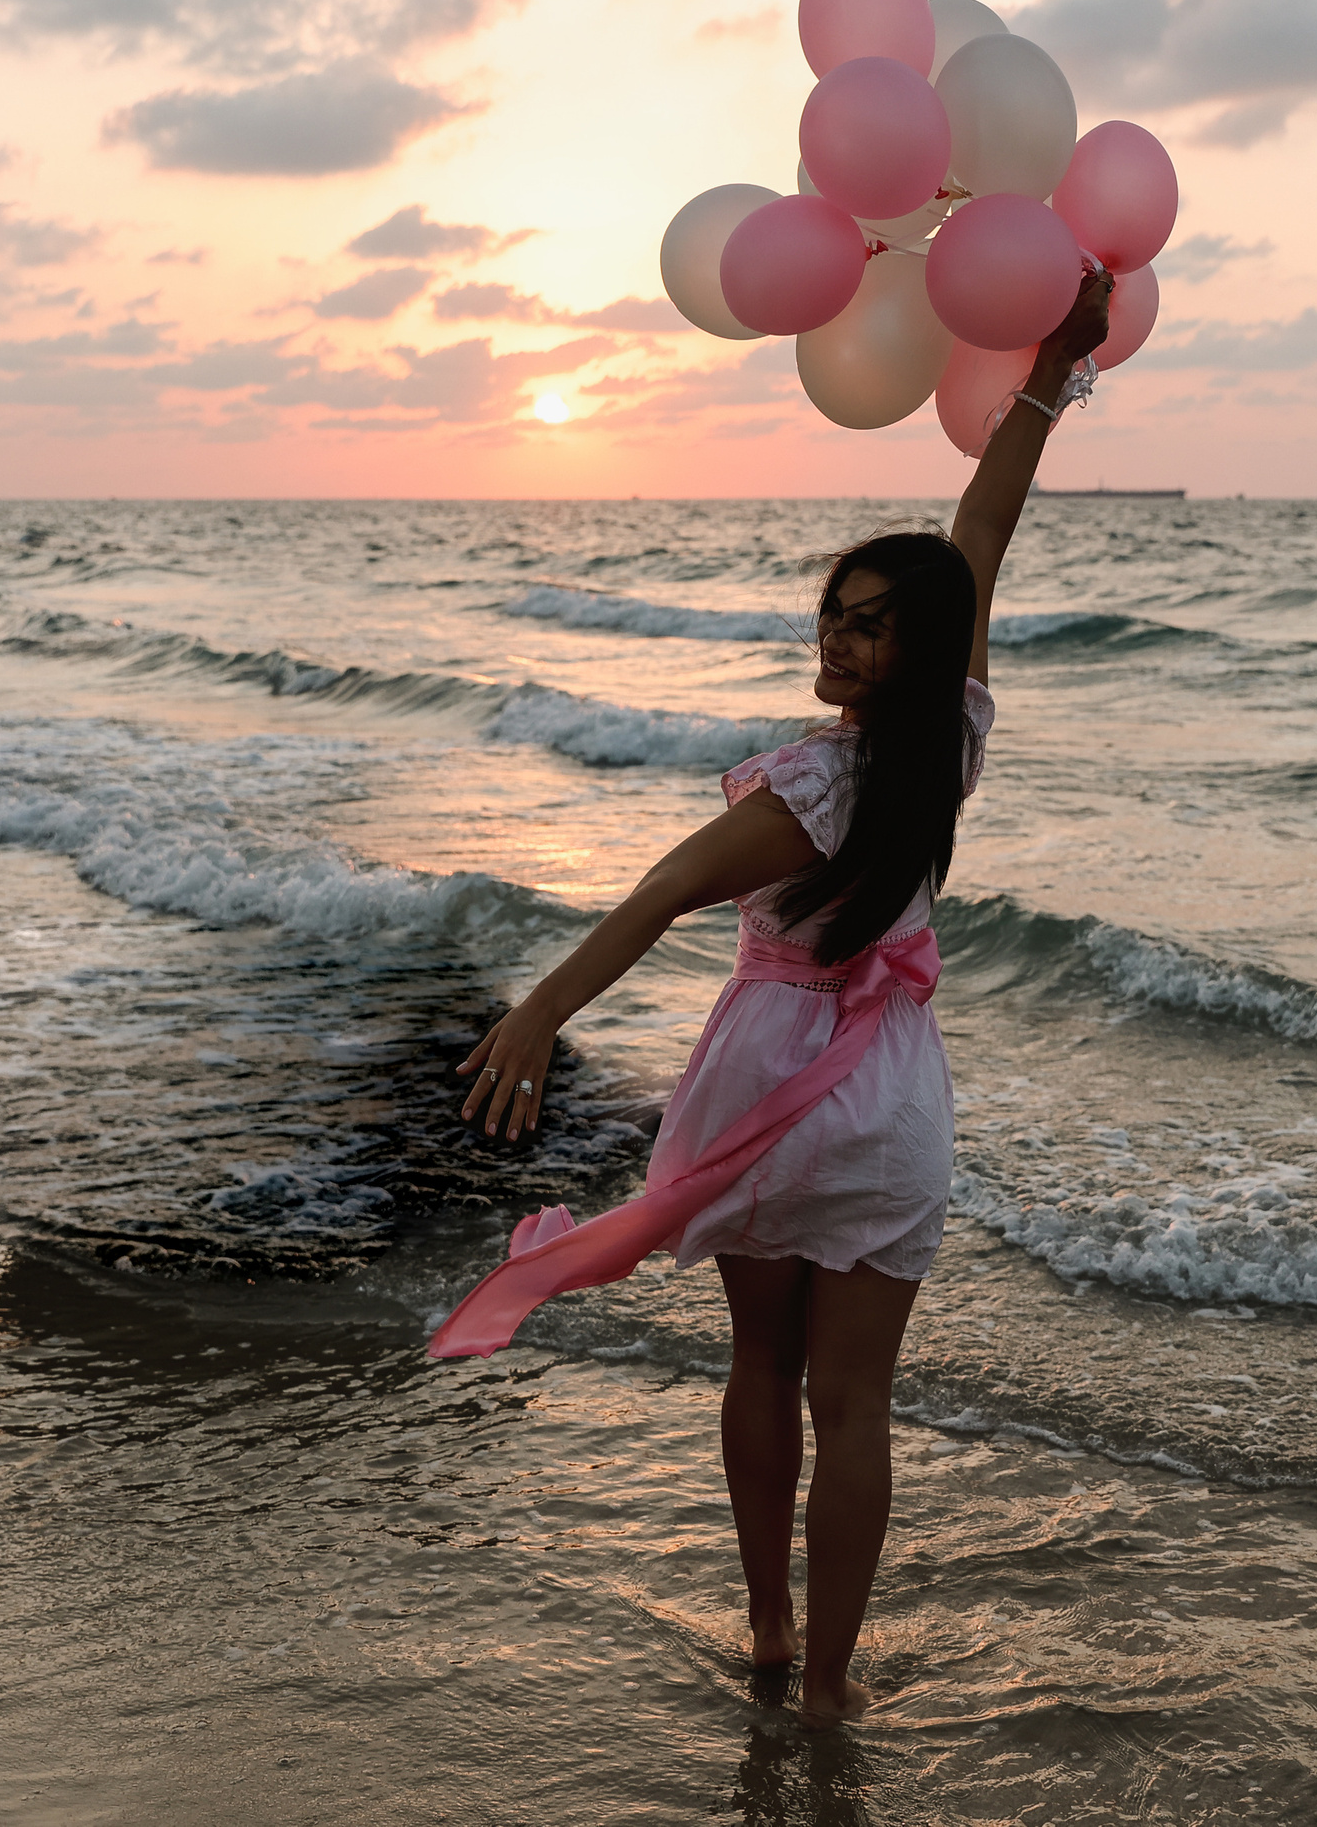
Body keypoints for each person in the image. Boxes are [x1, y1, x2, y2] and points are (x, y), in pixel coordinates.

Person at [436, 267, 1114, 1725]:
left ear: (910, 652)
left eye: (869, 625)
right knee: (857, 1403)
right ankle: (830, 1688)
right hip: (890, 1099)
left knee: (763, 1364)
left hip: (769, 1082)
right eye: (838, 615)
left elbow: (661, 891)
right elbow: (983, 529)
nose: (841, 641)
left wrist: (541, 1013)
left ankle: (767, 1628)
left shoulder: (809, 782)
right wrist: (1052, 368)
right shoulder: (954, 744)